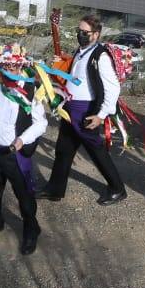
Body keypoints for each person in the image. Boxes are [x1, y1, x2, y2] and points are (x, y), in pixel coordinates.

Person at [38, 13, 127, 206]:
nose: (80, 34)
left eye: (84, 32)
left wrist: (101, 115)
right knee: (63, 149)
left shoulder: (100, 56)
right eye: (79, 31)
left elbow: (113, 88)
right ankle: (55, 189)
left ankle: (117, 189)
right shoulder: (81, 51)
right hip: (70, 107)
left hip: (86, 110)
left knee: (96, 150)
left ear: (95, 34)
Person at [0, 57, 48, 256]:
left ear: (22, 64)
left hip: (16, 153)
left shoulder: (31, 88)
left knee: (24, 195)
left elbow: (41, 124)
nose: (9, 68)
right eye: (5, 64)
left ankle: (32, 229)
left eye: (13, 64)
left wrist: (22, 140)